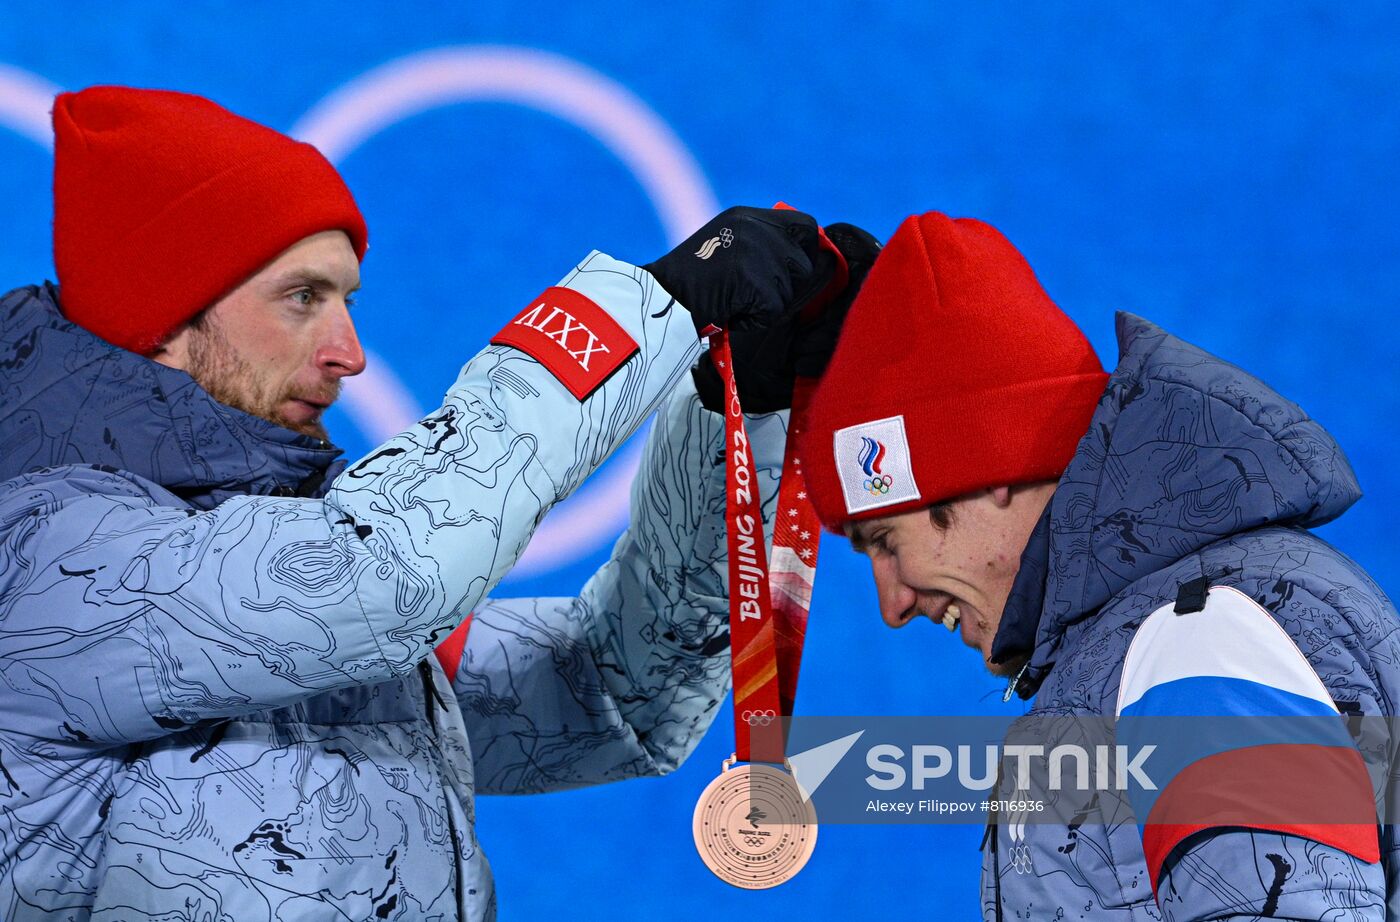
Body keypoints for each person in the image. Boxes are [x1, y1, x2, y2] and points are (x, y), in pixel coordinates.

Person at [0, 85, 876, 921]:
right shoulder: (47, 559)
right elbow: (386, 576)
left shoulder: (265, 567)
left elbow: (606, 697)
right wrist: (655, 305)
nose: (350, 353)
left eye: (347, 300)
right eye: (302, 298)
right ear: (161, 317)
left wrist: (735, 406)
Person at [797, 210, 1400, 919]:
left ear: (987, 470)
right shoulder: (1169, 631)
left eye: (885, 543)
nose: (892, 605)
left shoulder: (1195, 638)